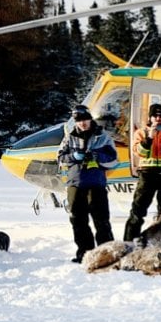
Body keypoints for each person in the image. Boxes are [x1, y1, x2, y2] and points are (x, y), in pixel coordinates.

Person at [57, 105, 118, 263]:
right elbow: (60, 158)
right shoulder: (69, 137)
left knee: (101, 220)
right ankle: (84, 253)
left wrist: (97, 156)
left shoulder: (102, 136)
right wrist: (74, 157)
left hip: (96, 183)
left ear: (90, 119)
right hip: (75, 183)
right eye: (78, 120)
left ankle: (107, 254)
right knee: (78, 220)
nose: (82, 123)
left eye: (84, 119)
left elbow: (114, 159)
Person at [123, 103, 161, 241]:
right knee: (138, 211)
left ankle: (160, 240)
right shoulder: (142, 132)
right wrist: (149, 138)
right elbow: (138, 151)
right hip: (148, 174)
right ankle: (129, 241)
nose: (158, 119)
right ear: (150, 117)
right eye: (155, 116)